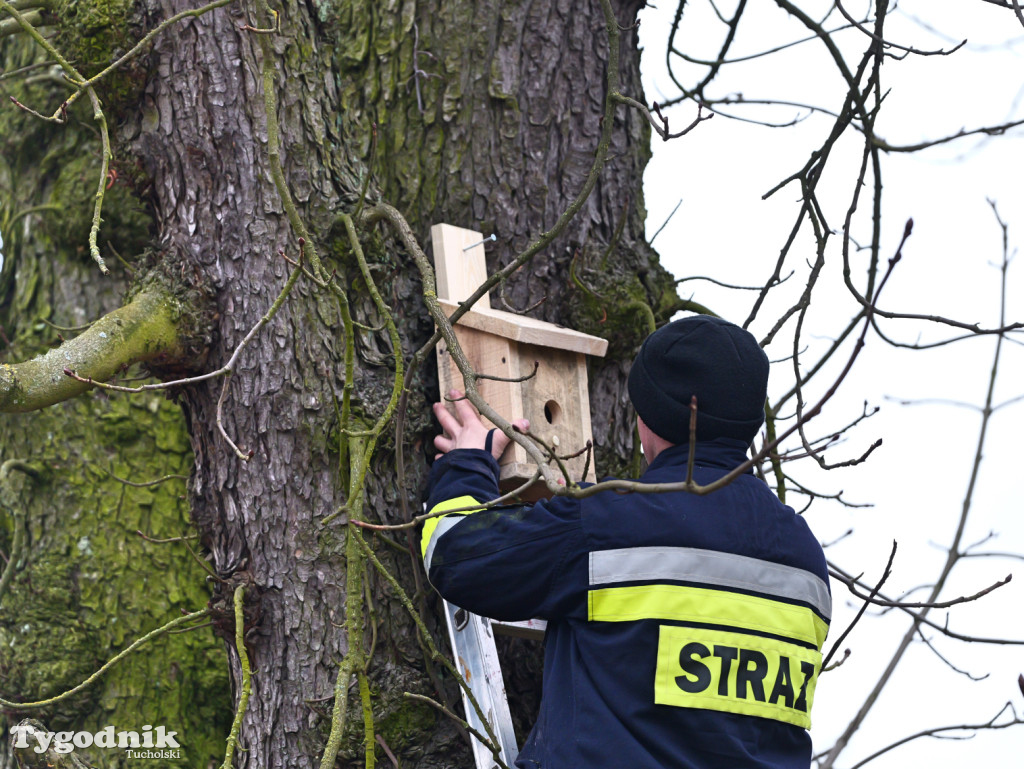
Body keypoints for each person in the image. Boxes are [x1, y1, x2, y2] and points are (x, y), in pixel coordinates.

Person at [421, 315, 831, 769]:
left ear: (647, 422)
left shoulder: (614, 523)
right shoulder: (805, 560)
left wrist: (465, 463)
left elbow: (456, 553)